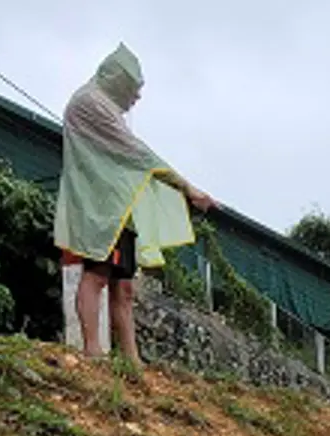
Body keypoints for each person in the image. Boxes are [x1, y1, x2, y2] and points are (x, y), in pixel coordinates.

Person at [54, 44, 217, 364]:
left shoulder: (108, 108)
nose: (137, 97)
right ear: (117, 80)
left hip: (120, 213)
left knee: (124, 288)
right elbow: (137, 154)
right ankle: (92, 349)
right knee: (97, 276)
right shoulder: (90, 102)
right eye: (134, 88)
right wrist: (186, 187)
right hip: (97, 210)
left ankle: (132, 360)